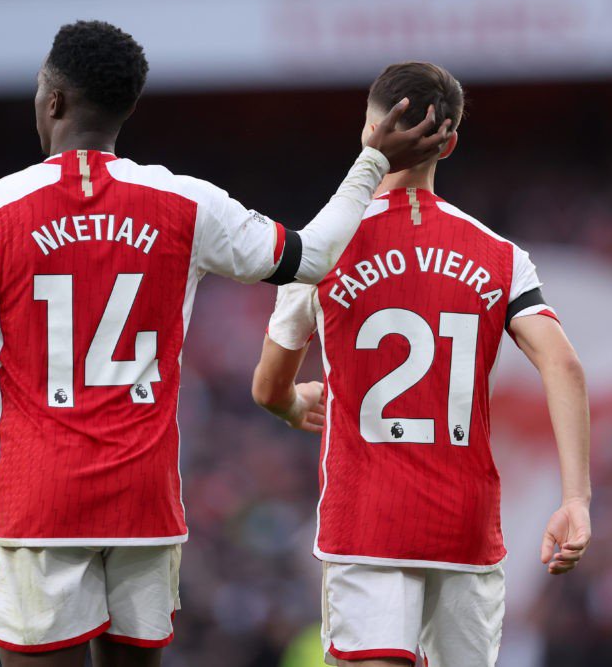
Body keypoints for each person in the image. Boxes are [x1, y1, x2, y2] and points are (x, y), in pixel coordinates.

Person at [0, 21, 451, 667]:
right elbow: (310, 255)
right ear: (124, 108)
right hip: (145, 501)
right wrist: (371, 159)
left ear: (53, 101)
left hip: (41, 501)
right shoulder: (183, 201)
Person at [252, 61, 592, 667]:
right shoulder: (500, 256)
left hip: (366, 522)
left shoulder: (322, 250)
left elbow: (268, 385)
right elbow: (562, 364)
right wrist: (577, 499)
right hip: (464, 527)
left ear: (369, 131)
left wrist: (288, 404)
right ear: (451, 144)